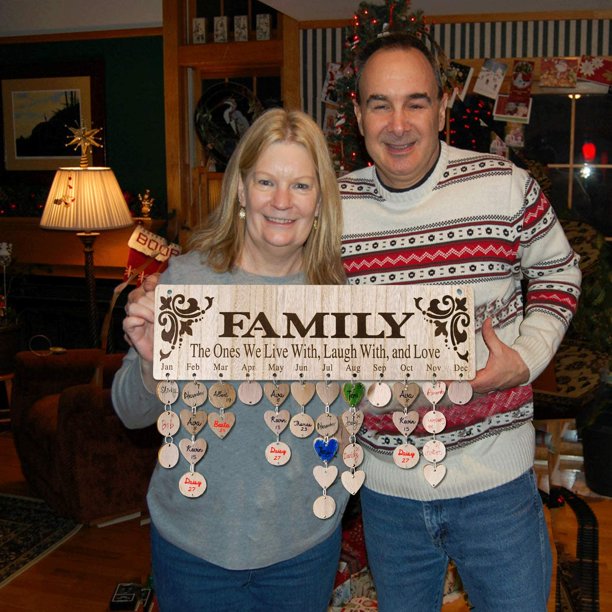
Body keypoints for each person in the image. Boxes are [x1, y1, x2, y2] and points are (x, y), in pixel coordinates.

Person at [338, 32, 581, 611]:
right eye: (380, 103)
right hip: (384, 489)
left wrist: (523, 358)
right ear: (357, 112)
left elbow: (560, 271)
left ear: (443, 105)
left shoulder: (504, 186)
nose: (398, 124)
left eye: (415, 102)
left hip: (494, 484)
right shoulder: (331, 206)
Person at [112, 108, 349, 611]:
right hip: (193, 545)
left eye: (302, 186)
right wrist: (155, 363)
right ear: (241, 190)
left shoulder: (341, 297)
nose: (282, 202)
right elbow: (131, 412)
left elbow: (361, 417)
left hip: (303, 545)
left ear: (321, 199)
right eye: (266, 181)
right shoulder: (186, 280)